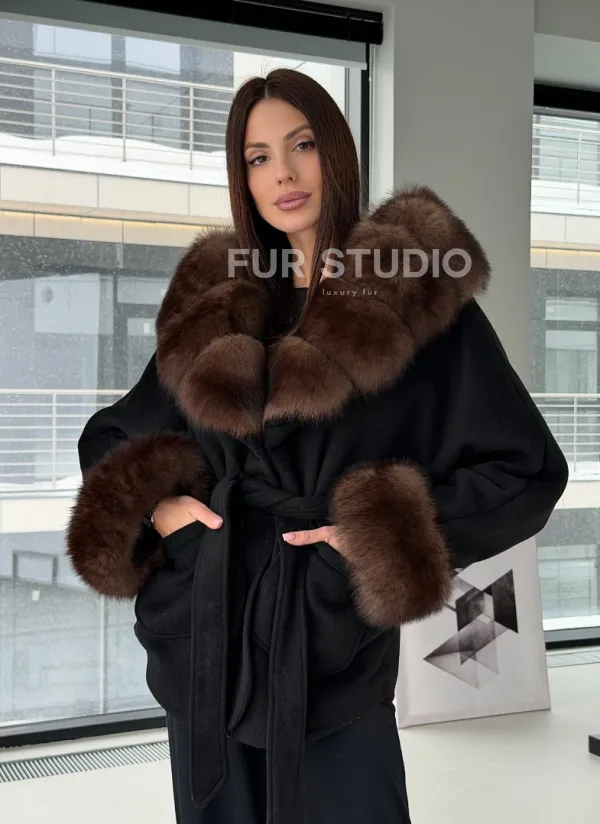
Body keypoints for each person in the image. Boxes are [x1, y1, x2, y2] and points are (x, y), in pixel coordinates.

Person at [66, 68, 569, 824]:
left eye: (301, 145)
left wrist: (373, 535)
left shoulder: (415, 298)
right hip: (204, 634)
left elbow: (526, 469)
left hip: (326, 640)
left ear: (335, 152)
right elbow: (116, 434)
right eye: (258, 157)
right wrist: (159, 509)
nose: (284, 173)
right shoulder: (216, 299)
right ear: (242, 177)